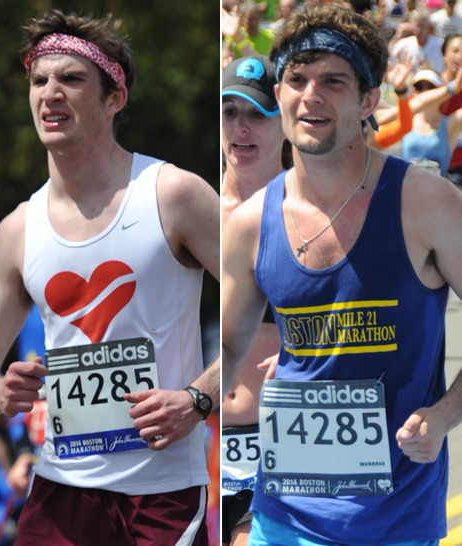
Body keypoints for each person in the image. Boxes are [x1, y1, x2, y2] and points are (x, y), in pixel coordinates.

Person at [0, 10, 220, 545]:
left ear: (116, 98)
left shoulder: (173, 196)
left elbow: (266, 300)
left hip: (164, 492)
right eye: (39, 80)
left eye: (72, 78)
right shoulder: (18, 229)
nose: (50, 93)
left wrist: (199, 399)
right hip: (60, 489)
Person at [221, 5, 462, 545]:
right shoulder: (247, 226)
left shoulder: (425, 204)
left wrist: (445, 415)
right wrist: (190, 401)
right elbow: (228, 350)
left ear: (368, 100)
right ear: (280, 97)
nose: (311, 95)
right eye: (297, 79)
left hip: (396, 520)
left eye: (333, 81)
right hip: (282, 514)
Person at [219, 55, 286, 546]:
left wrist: (306, 348)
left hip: (282, 439)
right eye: (229, 112)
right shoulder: (189, 208)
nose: (241, 128)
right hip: (195, 438)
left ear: (285, 120)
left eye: (258, 115)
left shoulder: (310, 214)